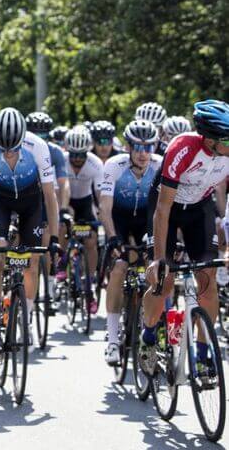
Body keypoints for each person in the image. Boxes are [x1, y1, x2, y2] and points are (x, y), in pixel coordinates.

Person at [138, 100, 229, 377]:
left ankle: (202, 353)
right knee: (163, 282)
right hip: (168, 208)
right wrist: (158, 259)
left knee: (208, 278)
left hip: (199, 208)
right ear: (210, 140)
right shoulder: (183, 148)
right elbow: (163, 209)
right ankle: (149, 335)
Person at [0, 108, 60, 353]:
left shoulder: (38, 146)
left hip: (31, 200)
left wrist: (53, 237)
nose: (9, 153)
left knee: (32, 260)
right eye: (4, 148)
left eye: (14, 148)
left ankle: (27, 319)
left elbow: (50, 195)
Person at [99, 120, 162, 365]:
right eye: (137, 146)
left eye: (148, 147)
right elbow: (105, 207)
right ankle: (113, 340)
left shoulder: (159, 165)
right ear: (128, 147)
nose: (143, 152)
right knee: (119, 268)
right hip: (120, 220)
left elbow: (168, 205)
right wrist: (113, 237)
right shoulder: (114, 165)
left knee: (156, 271)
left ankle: (153, 330)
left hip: (147, 220)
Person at [64, 125, 105, 315]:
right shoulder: (62, 162)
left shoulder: (96, 164)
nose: (77, 159)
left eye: (81, 155)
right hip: (67, 200)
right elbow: (59, 190)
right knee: (62, 227)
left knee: (91, 240)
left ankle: (89, 283)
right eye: (73, 155)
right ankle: (61, 263)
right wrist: (63, 212)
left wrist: (103, 215)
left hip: (86, 203)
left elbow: (99, 195)